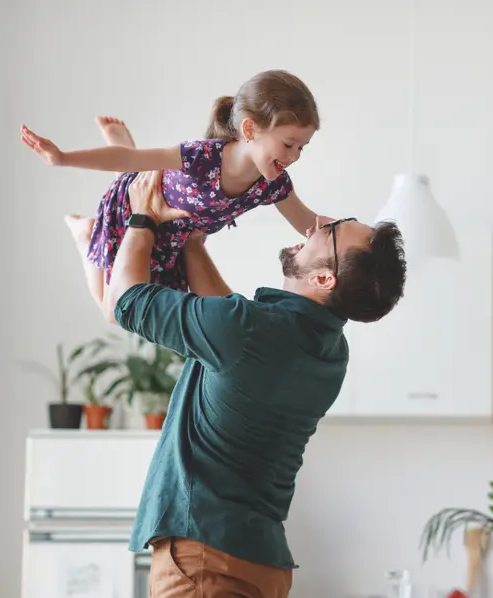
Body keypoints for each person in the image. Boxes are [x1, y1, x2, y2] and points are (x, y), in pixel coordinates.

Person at [107, 168, 406, 598]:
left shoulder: (247, 330)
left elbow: (124, 299)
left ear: (324, 278)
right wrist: (192, 242)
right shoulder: (329, 351)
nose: (319, 223)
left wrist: (142, 219)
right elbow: (229, 328)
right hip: (260, 565)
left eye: (334, 230)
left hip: (204, 563)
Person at [19, 69, 334, 320]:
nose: (294, 156)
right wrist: (62, 158)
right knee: (115, 313)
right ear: (250, 130)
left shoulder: (273, 184)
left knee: (143, 308)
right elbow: (129, 161)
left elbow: (308, 222)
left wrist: (361, 236)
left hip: (173, 239)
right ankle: (85, 233)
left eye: (301, 147)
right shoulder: (202, 157)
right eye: (288, 144)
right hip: (133, 212)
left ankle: (123, 146)